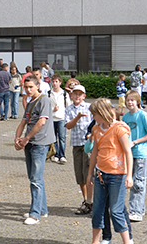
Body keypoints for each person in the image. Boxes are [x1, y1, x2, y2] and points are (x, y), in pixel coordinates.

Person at [87, 98, 133, 244]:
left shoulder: (120, 128)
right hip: (100, 174)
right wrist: (90, 173)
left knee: (116, 211)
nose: (93, 117)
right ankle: (95, 241)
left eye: (94, 114)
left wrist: (130, 175)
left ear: (102, 113)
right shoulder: (96, 129)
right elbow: (95, 151)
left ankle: (127, 241)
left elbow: (127, 152)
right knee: (97, 210)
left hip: (117, 175)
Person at [15, 74, 55, 225]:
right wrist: (17, 138)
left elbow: (41, 122)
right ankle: (42, 209)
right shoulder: (30, 102)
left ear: (38, 86)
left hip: (39, 143)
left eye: (31, 87)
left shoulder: (43, 99)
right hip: (30, 143)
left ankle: (35, 214)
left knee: (36, 180)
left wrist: (26, 138)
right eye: (26, 87)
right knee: (34, 178)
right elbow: (23, 121)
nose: (28, 89)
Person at [122, 90, 147, 223]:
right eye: (128, 100)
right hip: (128, 153)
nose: (130, 103)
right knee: (130, 181)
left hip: (140, 152)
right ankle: (139, 208)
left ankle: (136, 211)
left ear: (137, 101)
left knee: (138, 182)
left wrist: (135, 142)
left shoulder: (143, 115)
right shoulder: (125, 117)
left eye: (132, 100)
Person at [65, 84, 94, 215]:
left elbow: (96, 124)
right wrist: (77, 117)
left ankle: (92, 201)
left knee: (89, 173)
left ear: (84, 96)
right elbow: (68, 126)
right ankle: (86, 200)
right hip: (76, 144)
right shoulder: (69, 109)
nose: (77, 96)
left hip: (88, 145)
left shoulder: (89, 107)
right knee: (80, 175)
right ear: (71, 95)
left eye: (79, 94)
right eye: (74, 94)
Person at [50, 75, 69, 164]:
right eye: (53, 82)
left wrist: (67, 118)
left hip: (61, 118)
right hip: (52, 118)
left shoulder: (64, 94)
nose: (54, 83)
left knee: (62, 137)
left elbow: (68, 106)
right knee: (53, 138)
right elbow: (46, 106)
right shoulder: (49, 93)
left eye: (56, 82)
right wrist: (52, 110)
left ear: (60, 83)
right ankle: (56, 154)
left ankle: (62, 155)